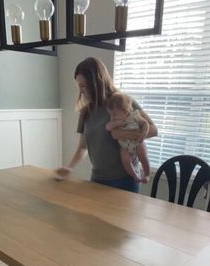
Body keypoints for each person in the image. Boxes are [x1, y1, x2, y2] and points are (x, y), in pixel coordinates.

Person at [55, 57, 158, 193]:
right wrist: (70, 167)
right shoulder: (86, 112)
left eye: (85, 86)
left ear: (97, 83)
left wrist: (123, 134)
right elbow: (82, 147)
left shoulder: (121, 101)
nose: (82, 92)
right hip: (98, 179)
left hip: (126, 179)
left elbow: (153, 130)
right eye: (79, 87)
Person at [106, 92, 150, 183]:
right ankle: (135, 176)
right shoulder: (114, 122)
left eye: (114, 114)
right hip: (125, 147)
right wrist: (116, 123)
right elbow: (108, 127)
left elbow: (145, 124)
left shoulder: (135, 116)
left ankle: (147, 174)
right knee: (125, 160)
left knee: (143, 156)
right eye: (110, 114)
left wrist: (144, 133)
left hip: (137, 142)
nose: (112, 117)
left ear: (126, 111)